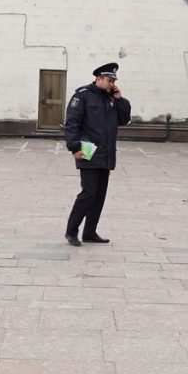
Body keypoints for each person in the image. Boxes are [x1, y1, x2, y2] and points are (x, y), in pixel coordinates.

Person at [63, 62, 131, 246]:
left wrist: (119, 99)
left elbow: (124, 119)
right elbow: (72, 123)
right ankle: (71, 231)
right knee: (88, 193)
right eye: (109, 80)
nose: (111, 83)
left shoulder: (110, 98)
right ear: (98, 78)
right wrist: (74, 147)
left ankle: (90, 232)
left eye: (113, 81)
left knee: (99, 196)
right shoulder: (83, 96)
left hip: (106, 154)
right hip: (88, 152)